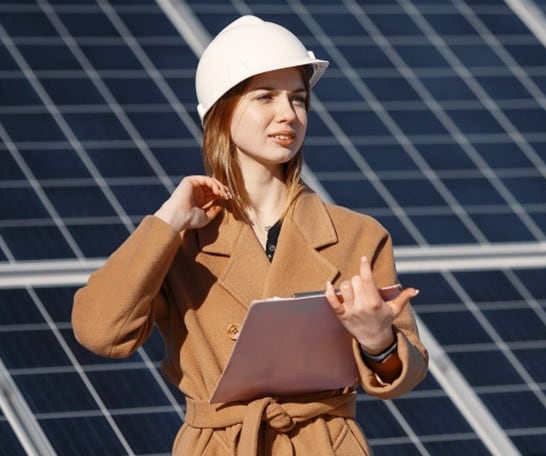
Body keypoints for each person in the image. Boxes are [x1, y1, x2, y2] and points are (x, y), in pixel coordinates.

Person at [72, 15, 428, 455]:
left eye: (298, 99)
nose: (288, 114)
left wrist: (379, 342)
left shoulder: (357, 235)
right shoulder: (179, 241)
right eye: (265, 96)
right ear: (221, 112)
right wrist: (167, 221)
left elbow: (405, 373)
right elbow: (100, 332)